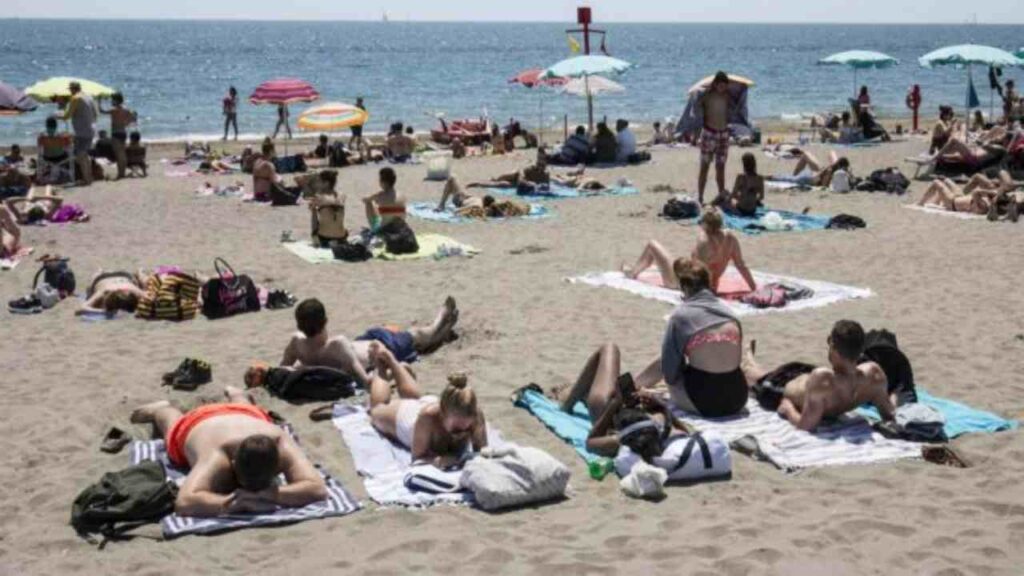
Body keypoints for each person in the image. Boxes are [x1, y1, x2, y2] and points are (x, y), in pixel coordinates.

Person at [130, 387, 328, 517]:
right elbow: (184, 502)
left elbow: (318, 489)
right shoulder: (218, 456)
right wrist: (231, 503)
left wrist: (267, 495)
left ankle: (238, 395)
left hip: (247, 416)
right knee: (172, 423)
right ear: (232, 464)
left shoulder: (279, 442)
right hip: (198, 422)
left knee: (245, 408)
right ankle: (161, 409)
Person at [742, 320, 895, 431]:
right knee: (762, 372)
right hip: (807, 378)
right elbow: (888, 413)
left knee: (751, 375)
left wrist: (788, 409)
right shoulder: (874, 376)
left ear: (834, 348)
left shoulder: (824, 379)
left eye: (829, 342)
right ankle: (749, 356)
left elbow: (805, 426)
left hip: (780, 388)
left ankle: (747, 357)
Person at [278, 297, 459, 388]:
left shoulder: (297, 343)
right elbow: (366, 381)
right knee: (416, 335)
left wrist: (300, 369)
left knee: (405, 335)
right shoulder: (337, 344)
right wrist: (391, 368)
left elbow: (281, 369)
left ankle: (441, 330)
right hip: (384, 347)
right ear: (325, 321)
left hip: (362, 342)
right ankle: (440, 322)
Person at [548, 343, 690, 458]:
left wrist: (615, 402)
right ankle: (581, 392)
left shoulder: (621, 440)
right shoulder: (661, 432)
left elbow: (591, 441)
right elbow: (685, 432)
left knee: (609, 348)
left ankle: (567, 405)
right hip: (624, 407)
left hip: (605, 409)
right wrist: (659, 405)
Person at [655, 259, 748, 417]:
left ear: (684, 287)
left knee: (666, 359)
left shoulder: (681, 316)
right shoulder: (730, 314)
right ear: (709, 283)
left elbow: (669, 372)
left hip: (704, 403)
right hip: (738, 399)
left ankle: (634, 387)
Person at [369, 352, 487, 467]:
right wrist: (440, 461)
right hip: (408, 418)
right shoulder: (427, 417)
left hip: (432, 404)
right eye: (456, 429)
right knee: (375, 410)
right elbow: (417, 458)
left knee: (416, 398)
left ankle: (398, 367)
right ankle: (383, 363)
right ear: (442, 414)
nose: (461, 433)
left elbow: (483, 452)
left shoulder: (476, 415)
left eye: (467, 429)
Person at [623, 208, 756, 294]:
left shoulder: (703, 240)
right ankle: (633, 271)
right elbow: (741, 266)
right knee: (672, 259)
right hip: (712, 288)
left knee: (652, 245)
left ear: (705, 224)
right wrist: (753, 288)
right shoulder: (730, 238)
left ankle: (631, 273)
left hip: (687, 287)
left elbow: (695, 274)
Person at [696, 72, 735, 205]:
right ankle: (700, 196)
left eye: (725, 85)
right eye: (721, 85)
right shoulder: (706, 95)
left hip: (723, 134)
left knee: (721, 167)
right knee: (705, 166)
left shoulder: (727, 96)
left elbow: (735, 109)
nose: (723, 88)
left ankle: (721, 195)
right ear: (716, 84)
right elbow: (695, 107)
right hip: (709, 132)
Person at [915, 171, 1018, 215]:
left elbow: (976, 192)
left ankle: (920, 203)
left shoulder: (983, 207)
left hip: (952, 203)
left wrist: (992, 192)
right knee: (946, 180)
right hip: (959, 196)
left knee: (936, 182)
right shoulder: (987, 202)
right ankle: (936, 203)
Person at [60, 81, 97, 186]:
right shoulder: (89, 97)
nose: (70, 92)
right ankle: (89, 178)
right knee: (84, 155)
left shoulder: (75, 98)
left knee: (80, 156)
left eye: (70, 90)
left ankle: (86, 180)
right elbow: (95, 114)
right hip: (91, 129)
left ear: (73, 89)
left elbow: (67, 116)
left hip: (82, 131)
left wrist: (56, 116)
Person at [75, 269, 147, 316]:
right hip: (112, 278)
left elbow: (81, 309)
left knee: (91, 286)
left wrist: (103, 312)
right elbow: (81, 309)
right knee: (91, 286)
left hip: (118, 277)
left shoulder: (105, 291)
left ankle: (140, 273)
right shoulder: (105, 291)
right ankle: (140, 273)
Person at [98, 92, 137, 179]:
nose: (112, 101)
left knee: (118, 154)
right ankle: (122, 173)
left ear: (116, 100)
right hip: (123, 133)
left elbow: (101, 111)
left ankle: (120, 174)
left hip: (115, 133)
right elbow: (134, 118)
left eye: (113, 99)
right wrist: (126, 123)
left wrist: (99, 101)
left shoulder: (114, 110)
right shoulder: (126, 110)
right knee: (122, 154)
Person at [771, 150, 850, 188]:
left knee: (787, 178)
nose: (845, 171)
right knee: (786, 179)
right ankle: (768, 177)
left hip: (813, 175)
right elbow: (824, 186)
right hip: (808, 178)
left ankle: (792, 175)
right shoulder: (830, 171)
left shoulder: (833, 169)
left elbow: (831, 153)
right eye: (845, 169)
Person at [307, 172, 346, 247]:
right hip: (342, 238)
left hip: (325, 238)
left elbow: (314, 217)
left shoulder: (319, 197)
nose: (317, 184)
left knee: (314, 212)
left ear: (326, 183)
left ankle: (315, 237)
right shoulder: (342, 195)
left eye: (319, 182)